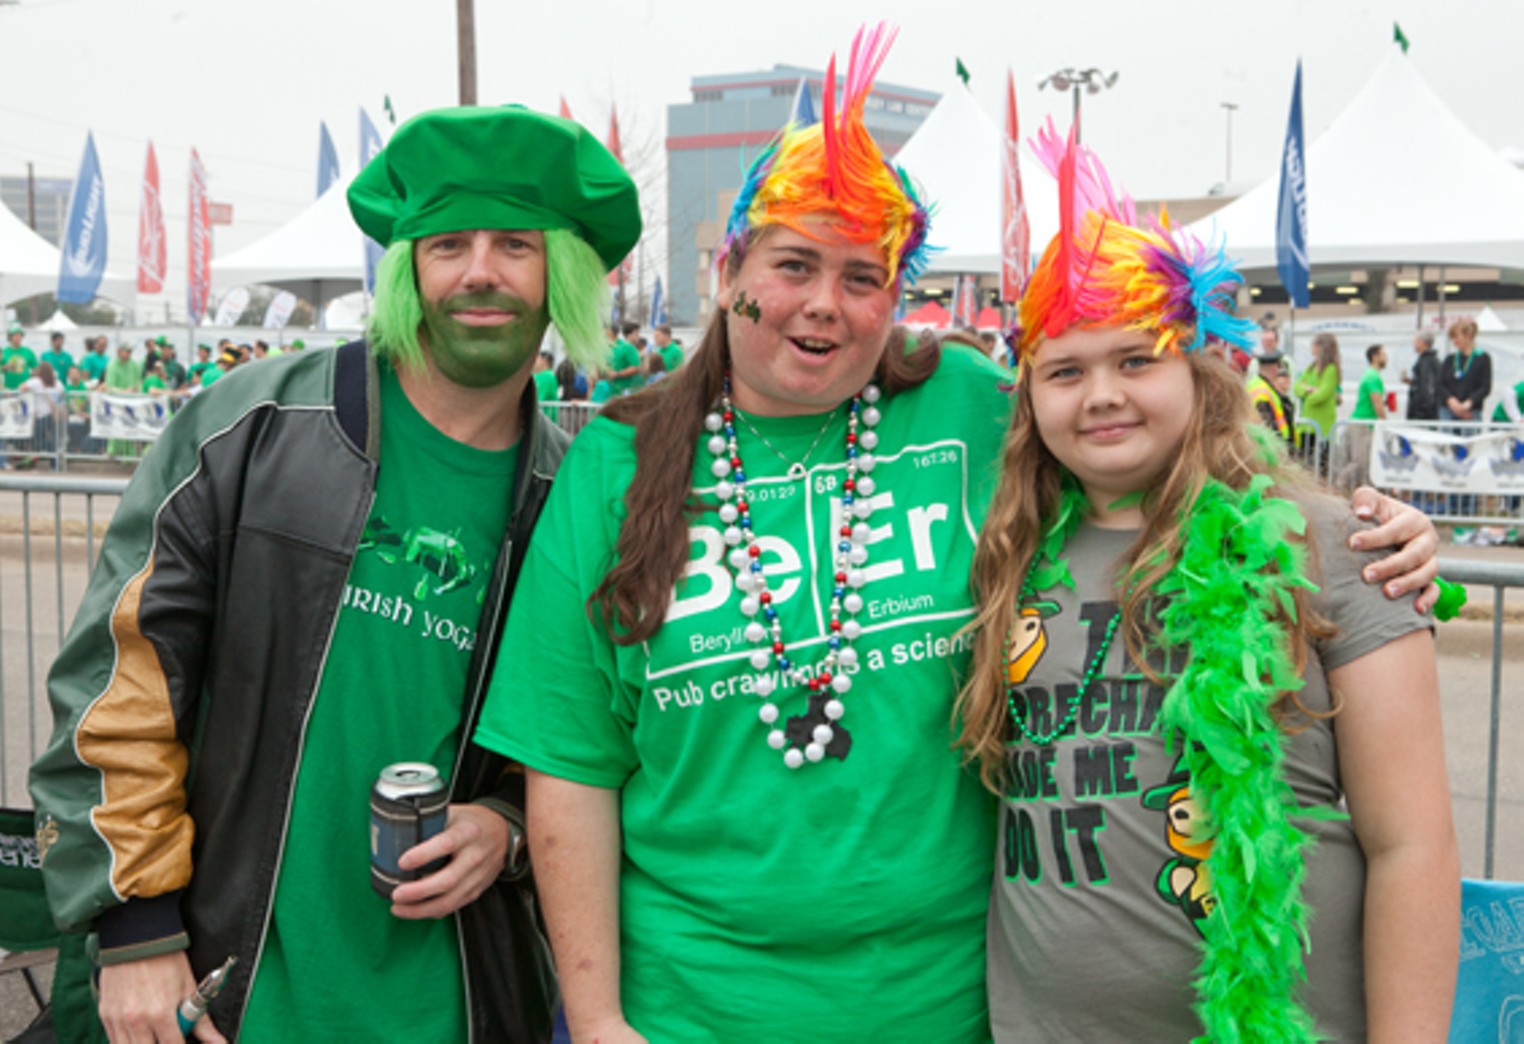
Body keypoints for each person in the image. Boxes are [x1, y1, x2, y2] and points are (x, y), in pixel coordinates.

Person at [471, 27, 1442, 1043]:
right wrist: (597, 1016)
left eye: (864, 277)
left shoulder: (974, 407)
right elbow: (572, 763)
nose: (824, 305)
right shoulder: (614, 468)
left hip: (954, 1009)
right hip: (695, 1008)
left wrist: (1366, 531)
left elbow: (1150, 454)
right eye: (795, 264)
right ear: (728, 271)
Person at [30, 104, 641, 1043]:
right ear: (408, 271)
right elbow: (120, 681)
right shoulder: (252, 429)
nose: (480, 271)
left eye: (516, 244)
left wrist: (507, 827)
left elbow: (598, 740)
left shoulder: (574, 501)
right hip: (216, 990)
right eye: (447, 244)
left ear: (556, 276)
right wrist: (135, 924)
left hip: (461, 1006)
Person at [957, 124, 1459, 1042]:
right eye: (1065, 371)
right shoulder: (1004, 562)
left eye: (1135, 360)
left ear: (1196, 367)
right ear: (1028, 397)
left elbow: (1413, 847)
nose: (1101, 393)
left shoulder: (1332, 545)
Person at [1294, 331, 1340, 474]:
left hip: (1322, 428)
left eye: (1314, 343)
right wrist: (1308, 390)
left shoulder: (1330, 369)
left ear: (1322, 347)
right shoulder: (1311, 367)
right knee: (1305, 465)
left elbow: (1323, 395)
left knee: (1320, 467)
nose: (1311, 346)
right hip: (1307, 426)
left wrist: (1307, 394)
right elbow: (1296, 387)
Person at [1438, 317, 1491, 424]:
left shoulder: (1482, 358)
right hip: (1448, 409)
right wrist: (1452, 402)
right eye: (1452, 338)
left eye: (1457, 337)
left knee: (1469, 439)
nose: (1454, 341)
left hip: (1471, 410)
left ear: (1468, 336)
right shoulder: (1450, 359)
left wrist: (1468, 404)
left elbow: (1485, 387)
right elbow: (1440, 383)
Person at [1244, 349, 1294, 446]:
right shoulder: (1263, 390)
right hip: (1268, 446)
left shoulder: (1257, 384)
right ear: (1274, 369)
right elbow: (1267, 423)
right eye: (1278, 367)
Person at [1405, 328, 1442, 421]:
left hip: (1423, 414)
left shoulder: (1426, 361)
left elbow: (1427, 387)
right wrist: (1412, 382)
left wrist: (1422, 412)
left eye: (1415, 341)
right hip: (1426, 412)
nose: (1413, 344)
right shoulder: (1429, 360)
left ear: (1422, 342)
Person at [607, 321, 642, 395]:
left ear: (610, 332)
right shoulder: (607, 347)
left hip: (624, 390)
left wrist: (617, 374)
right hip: (608, 389)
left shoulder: (627, 347)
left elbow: (636, 367)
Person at [3, 323, 37, 390]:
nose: (18, 337)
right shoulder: (4, 352)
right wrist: (6, 367)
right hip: (8, 389)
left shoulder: (28, 352)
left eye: (19, 335)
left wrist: (31, 382)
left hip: (24, 389)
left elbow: (35, 369)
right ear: (10, 337)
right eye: (15, 335)